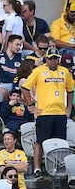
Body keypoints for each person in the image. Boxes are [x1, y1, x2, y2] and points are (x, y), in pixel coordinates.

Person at [21, 47, 74, 178]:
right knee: (40, 141)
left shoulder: (65, 72)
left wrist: (68, 108)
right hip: (44, 113)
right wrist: (31, 106)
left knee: (60, 142)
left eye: (56, 58)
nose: (53, 61)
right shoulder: (39, 71)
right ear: (46, 59)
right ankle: (37, 168)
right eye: (51, 59)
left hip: (60, 113)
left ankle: (59, 166)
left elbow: (70, 90)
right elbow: (25, 88)